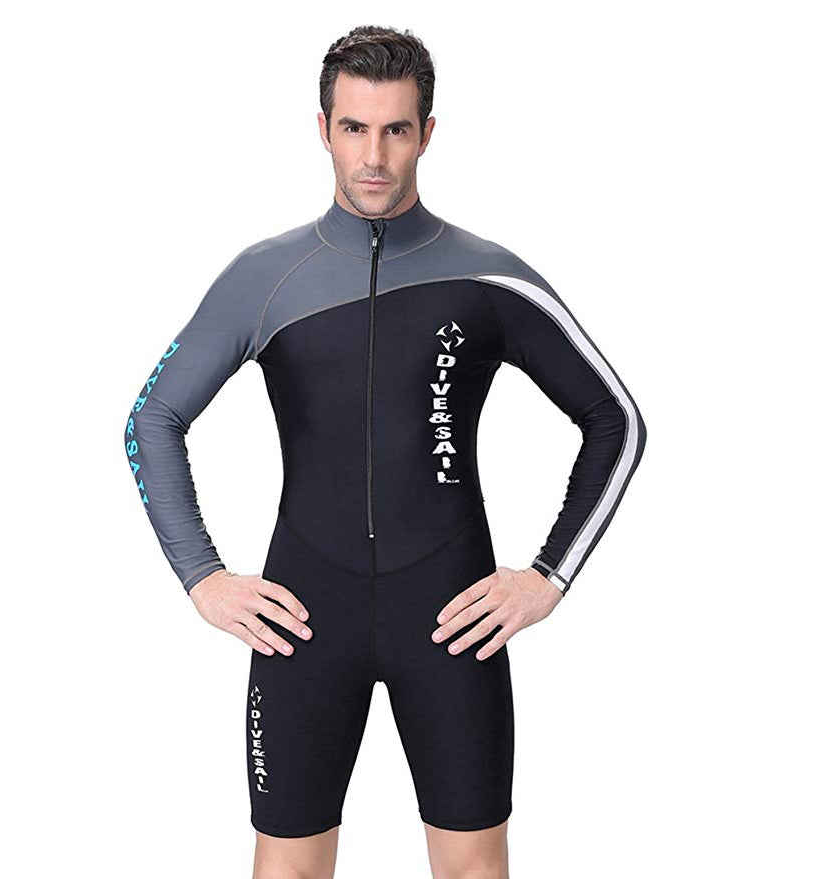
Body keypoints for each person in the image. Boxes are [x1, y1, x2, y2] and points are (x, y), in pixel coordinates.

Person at [123, 24, 646, 879]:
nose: (374, 156)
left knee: (473, 868)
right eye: (355, 128)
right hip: (302, 619)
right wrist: (201, 575)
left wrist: (549, 574)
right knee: (287, 868)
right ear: (322, 129)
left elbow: (615, 418)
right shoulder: (264, 275)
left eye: (396, 129)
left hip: (451, 619)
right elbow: (152, 418)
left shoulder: (488, 275)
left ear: (426, 133)